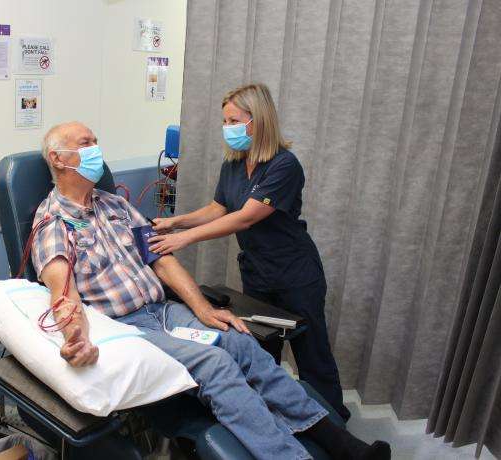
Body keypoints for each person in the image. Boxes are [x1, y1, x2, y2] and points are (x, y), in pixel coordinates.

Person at [29, 121, 390, 460]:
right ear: (58, 159)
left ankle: (342, 444)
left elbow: (162, 260)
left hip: (165, 312)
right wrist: (76, 336)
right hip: (127, 327)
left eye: (95, 142)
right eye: (85, 144)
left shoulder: (115, 205)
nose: (96, 150)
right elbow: (63, 294)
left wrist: (203, 309)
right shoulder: (52, 223)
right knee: (215, 363)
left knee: (240, 343)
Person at [148, 83, 350, 421]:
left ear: (256, 121)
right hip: (257, 271)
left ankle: (333, 423)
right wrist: (175, 223)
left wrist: (184, 240)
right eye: (224, 122)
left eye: (233, 121)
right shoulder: (234, 165)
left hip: (294, 271)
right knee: (262, 350)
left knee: (312, 352)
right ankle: (278, 417)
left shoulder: (284, 165)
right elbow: (218, 208)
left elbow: (245, 217)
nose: (227, 129)